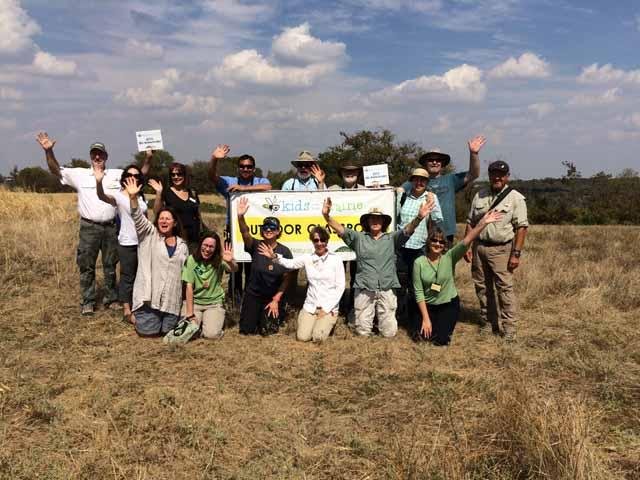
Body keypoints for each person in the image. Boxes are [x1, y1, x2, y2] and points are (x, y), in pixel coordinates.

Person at [36, 132, 151, 316]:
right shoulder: (80, 174)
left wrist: (148, 158)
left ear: (106, 156)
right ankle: (88, 301)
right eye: (94, 154)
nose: (97, 157)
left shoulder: (116, 174)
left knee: (110, 264)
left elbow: (139, 175)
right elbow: (56, 170)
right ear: (90, 156)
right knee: (86, 264)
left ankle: (112, 299)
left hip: (111, 227)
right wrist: (49, 151)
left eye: (101, 154)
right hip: (89, 227)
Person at [322, 197, 435, 338]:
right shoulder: (359, 238)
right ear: (367, 222)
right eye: (372, 219)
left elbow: (407, 230)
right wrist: (326, 216)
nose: (375, 221)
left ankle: (368, 317)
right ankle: (356, 316)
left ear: (383, 222)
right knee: (362, 332)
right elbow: (340, 229)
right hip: (365, 287)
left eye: (378, 219)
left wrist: (419, 218)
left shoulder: (392, 238)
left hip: (386, 287)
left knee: (389, 333)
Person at [413, 210, 503, 346]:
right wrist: (426, 319)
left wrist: (483, 223)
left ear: (444, 245)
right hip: (428, 305)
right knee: (422, 338)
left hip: (447, 304)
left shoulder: (450, 257)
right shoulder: (419, 262)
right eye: (434, 240)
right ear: (428, 242)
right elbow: (419, 292)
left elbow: (466, 241)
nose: (437, 244)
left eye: (441, 241)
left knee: (441, 341)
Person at [464, 160, 528, 341]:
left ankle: (509, 329)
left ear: (507, 176)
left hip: (501, 249)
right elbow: (471, 222)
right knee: (482, 288)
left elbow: (521, 227)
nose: (497, 177)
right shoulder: (480, 195)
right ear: (489, 175)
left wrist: (516, 254)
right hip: (479, 247)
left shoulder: (515, 198)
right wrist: (466, 246)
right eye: (493, 174)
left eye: (501, 174)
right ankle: (488, 322)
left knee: (504, 289)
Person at [123, 176, 189, 336]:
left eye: (168, 218)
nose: (164, 221)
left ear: (174, 223)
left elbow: (185, 275)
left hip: (171, 301)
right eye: (161, 218)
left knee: (168, 331)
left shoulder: (182, 245)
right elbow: (138, 218)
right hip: (149, 300)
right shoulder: (149, 235)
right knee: (148, 332)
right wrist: (133, 198)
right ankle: (132, 315)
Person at [257, 226, 345, 342]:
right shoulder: (307, 258)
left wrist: (327, 309)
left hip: (328, 307)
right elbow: (290, 264)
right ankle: (315, 323)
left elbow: (340, 287)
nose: (319, 243)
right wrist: (274, 256)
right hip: (310, 306)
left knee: (317, 338)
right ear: (312, 241)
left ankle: (327, 322)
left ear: (327, 241)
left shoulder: (336, 260)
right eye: (316, 240)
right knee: (302, 337)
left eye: (322, 240)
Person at [208, 144, 272, 302]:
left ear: (254, 169)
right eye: (242, 167)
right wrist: (214, 159)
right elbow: (212, 176)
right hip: (233, 229)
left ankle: (251, 297)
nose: (246, 169)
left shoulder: (260, 180)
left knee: (252, 265)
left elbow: (268, 187)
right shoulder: (230, 181)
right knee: (234, 265)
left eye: (249, 167)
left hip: (255, 230)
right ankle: (235, 298)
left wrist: (243, 188)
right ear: (238, 169)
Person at [95, 153, 150, 324]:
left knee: (142, 274)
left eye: (136, 175)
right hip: (127, 243)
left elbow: (146, 218)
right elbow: (102, 196)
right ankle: (127, 309)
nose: (132, 178)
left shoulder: (141, 197)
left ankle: (140, 305)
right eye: (129, 175)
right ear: (124, 178)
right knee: (127, 276)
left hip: (143, 242)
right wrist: (98, 182)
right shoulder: (119, 196)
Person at [409, 136, 486, 244]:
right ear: (425, 163)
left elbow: (474, 174)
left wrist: (474, 154)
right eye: (431, 160)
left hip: (446, 233)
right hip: (422, 232)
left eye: (438, 160)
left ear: (442, 164)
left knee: (445, 261)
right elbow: (398, 190)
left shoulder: (451, 179)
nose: (435, 162)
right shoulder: (416, 182)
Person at [236, 197, 293, 336]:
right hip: (253, 295)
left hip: (272, 298)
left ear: (278, 231)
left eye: (272, 227)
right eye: (265, 227)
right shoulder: (255, 245)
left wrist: (276, 299)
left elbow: (287, 279)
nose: (268, 229)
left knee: (269, 331)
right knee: (247, 331)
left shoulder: (285, 251)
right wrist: (240, 217)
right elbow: (245, 233)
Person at [396, 168, 444, 326]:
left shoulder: (431, 197)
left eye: (423, 180)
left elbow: (438, 220)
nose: (419, 182)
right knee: (400, 283)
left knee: (417, 284)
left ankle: (416, 318)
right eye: (416, 179)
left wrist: (432, 203)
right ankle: (400, 316)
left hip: (419, 248)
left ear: (427, 183)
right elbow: (394, 218)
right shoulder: (403, 196)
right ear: (411, 180)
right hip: (401, 247)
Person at [182, 233, 238, 339]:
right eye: (205, 245)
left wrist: (231, 262)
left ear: (216, 248)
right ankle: (203, 323)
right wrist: (190, 314)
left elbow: (234, 269)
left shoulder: (219, 260)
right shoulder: (191, 260)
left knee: (211, 335)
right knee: (189, 333)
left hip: (213, 303)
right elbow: (188, 286)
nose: (207, 249)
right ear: (200, 245)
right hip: (195, 303)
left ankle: (214, 321)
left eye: (211, 247)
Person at [329, 163, 364, 316]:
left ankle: (353, 307)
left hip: (359, 241)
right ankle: (339, 306)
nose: (350, 173)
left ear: (358, 173)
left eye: (353, 171)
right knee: (338, 277)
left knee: (357, 276)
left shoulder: (366, 191)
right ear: (341, 173)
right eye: (346, 171)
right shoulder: (332, 190)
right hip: (337, 241)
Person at [151, 162, 202, 251]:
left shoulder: (192, 192)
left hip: (194, 240)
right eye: (173, 174)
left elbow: (198, 214)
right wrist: (159, 193)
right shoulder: (166, 193)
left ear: (185, 175)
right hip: (176, 238)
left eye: (179, 174)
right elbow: (156, 211)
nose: (176, 177)